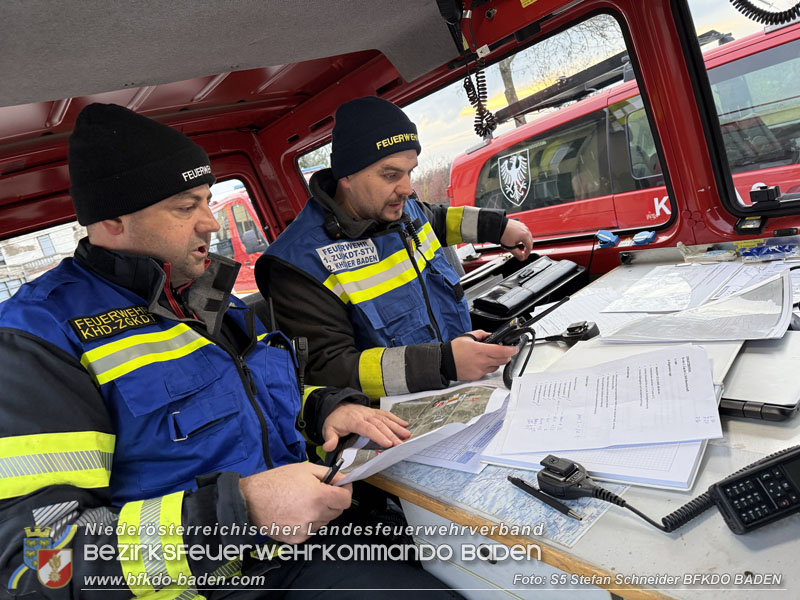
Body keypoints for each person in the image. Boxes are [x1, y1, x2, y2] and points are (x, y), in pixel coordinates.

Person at [0, 103, 460, 598]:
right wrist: (240, 512)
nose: (210, 224)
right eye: (185, 207)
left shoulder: (208, 297)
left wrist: (324, 409)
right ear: (112, 220)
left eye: (207, 200)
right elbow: (38, 562)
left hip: (311, 539)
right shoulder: (39, 338)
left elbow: (253, 402)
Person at [256, 97, 534, 400]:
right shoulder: (298, 265)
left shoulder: (400, 209)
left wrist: (497, 227)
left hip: (463, 384)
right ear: (347, 175)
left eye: (409, 172)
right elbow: (328, 369)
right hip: (392, 418)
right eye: (391, 175)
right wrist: (442, 364)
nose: (407, 189)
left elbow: (437, 220)